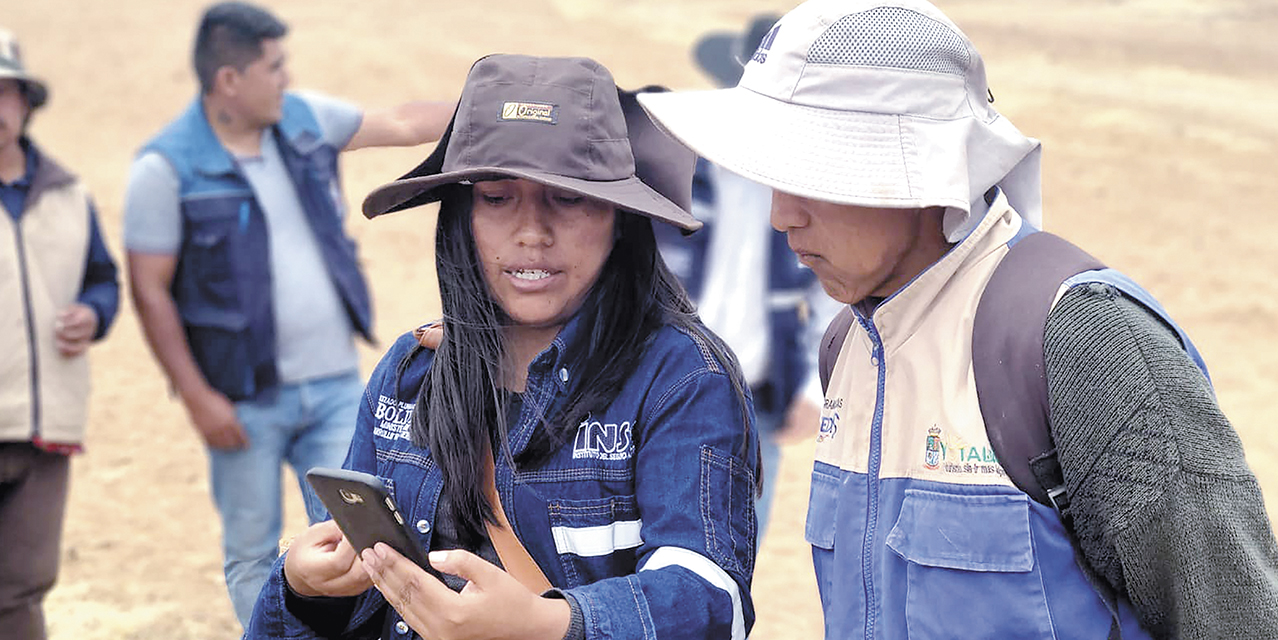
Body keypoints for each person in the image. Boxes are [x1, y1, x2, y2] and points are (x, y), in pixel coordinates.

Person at [638, 0, 1278, 638]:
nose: (783, 216)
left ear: (922, 169)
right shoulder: (848, 346)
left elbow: (1235, 618)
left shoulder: (1087, 339)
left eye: (811, 173)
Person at [244, 53, 759, 640]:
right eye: (496, 196)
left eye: (568, 198)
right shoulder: (409, 374)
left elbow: (710, 596)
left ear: (620, 216)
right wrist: (303, 590)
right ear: (462, 215)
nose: (531, 232)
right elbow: (358, 604)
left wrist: (549, 624)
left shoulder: (683, 378)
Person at [122, 1, 452, 628]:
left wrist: (499, 110)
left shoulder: (302, 121)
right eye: (273, 67)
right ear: (229, 81)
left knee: (356, 535)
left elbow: (406, 122)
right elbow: (149, 290)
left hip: (332, 386)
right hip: (240, 396)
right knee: (252, 549)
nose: (285, 78)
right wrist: (197, 397)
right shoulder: (163, 169)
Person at [655, 14, 840, 539]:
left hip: (756, 397)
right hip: (662, 385)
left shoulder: (808, 188)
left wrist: (813, 389)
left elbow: (831, 295)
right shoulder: (681, 172)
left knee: (740, 542)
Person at [0, 28, 120, 640]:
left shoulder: (69, 194)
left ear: (25, 102)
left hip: (46, 429)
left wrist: (93, 314)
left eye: (5, 92)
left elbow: (104, 278)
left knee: (21, 590)